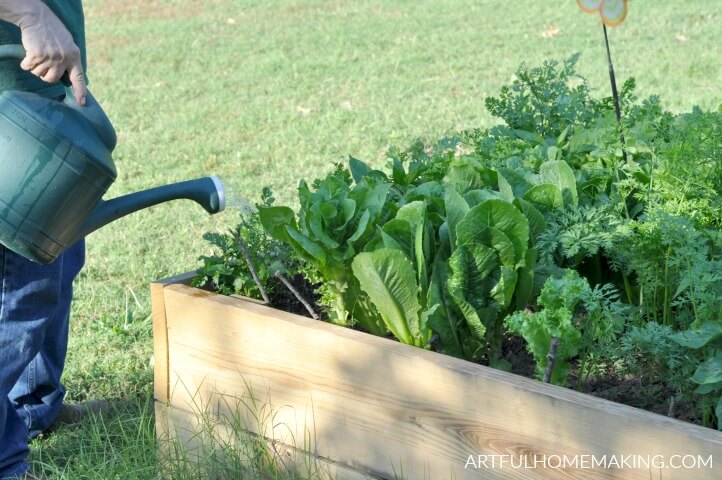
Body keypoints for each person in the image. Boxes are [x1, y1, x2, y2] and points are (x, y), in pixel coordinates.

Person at [0, 1, 99, 478]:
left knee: (56, 260)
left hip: (40, 83)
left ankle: (34, 406)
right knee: (14, 297)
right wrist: (31, 15)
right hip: (9, 104)